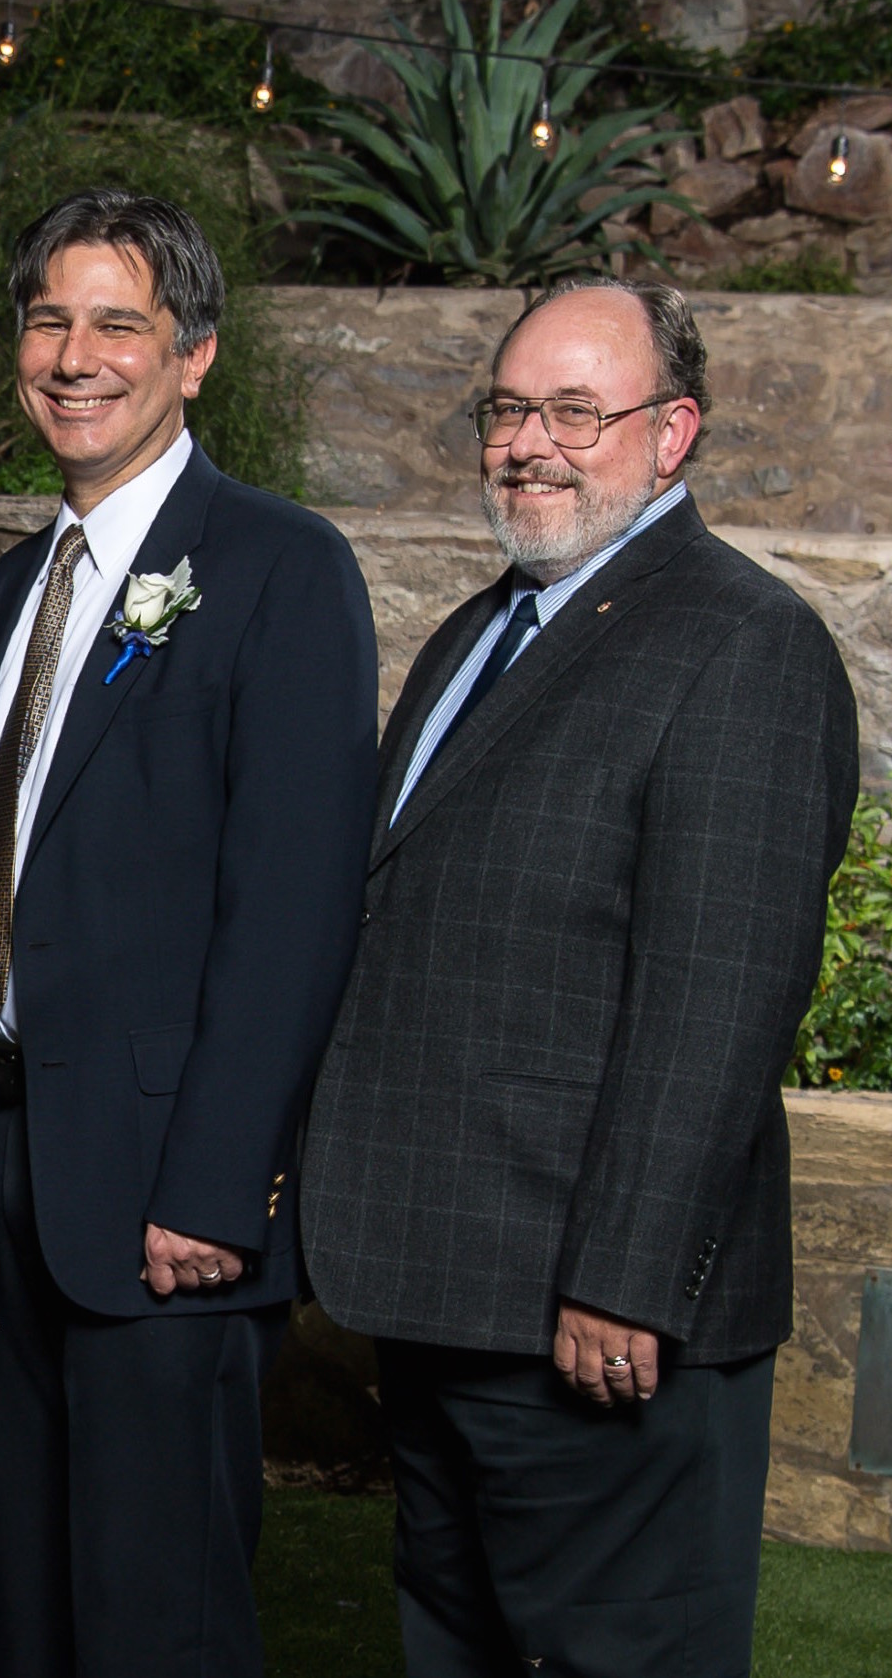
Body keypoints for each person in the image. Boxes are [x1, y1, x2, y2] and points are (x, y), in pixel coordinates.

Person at [299, 276, 858, 1678]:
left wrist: (626, 1279)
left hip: (591, 1319)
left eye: (574, 412)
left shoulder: (744, 642)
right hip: (452, 1291)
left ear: (673, 433)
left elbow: (719, 996)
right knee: (460, 1647)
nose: (528, 443)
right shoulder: (482, 631)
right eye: (508, 409)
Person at [0, 189, 378, 1677]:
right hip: (2, 1162)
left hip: (169, 1197)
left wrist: (219, 1186)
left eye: (119, 323)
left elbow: (295, 905)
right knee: (26, 1615)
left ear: (195, 354)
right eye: (48, 319)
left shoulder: (281, 567)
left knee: (157, 1621)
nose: (74, 355)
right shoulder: (14, 585)